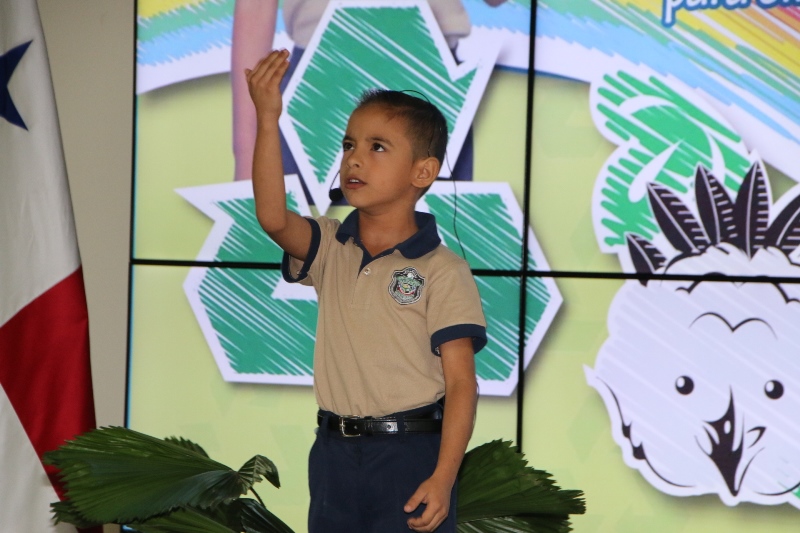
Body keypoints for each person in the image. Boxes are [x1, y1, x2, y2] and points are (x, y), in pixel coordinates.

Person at [245, 49, 487, 532]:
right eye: (348, 144)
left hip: (410, 454)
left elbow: (462, 384)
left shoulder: (442, 268)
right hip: (333, 453)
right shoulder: (330, 245)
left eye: (377, 147)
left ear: (423, 172)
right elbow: (272, 218)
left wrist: (443, 478)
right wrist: (268, 119)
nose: (354, 158)